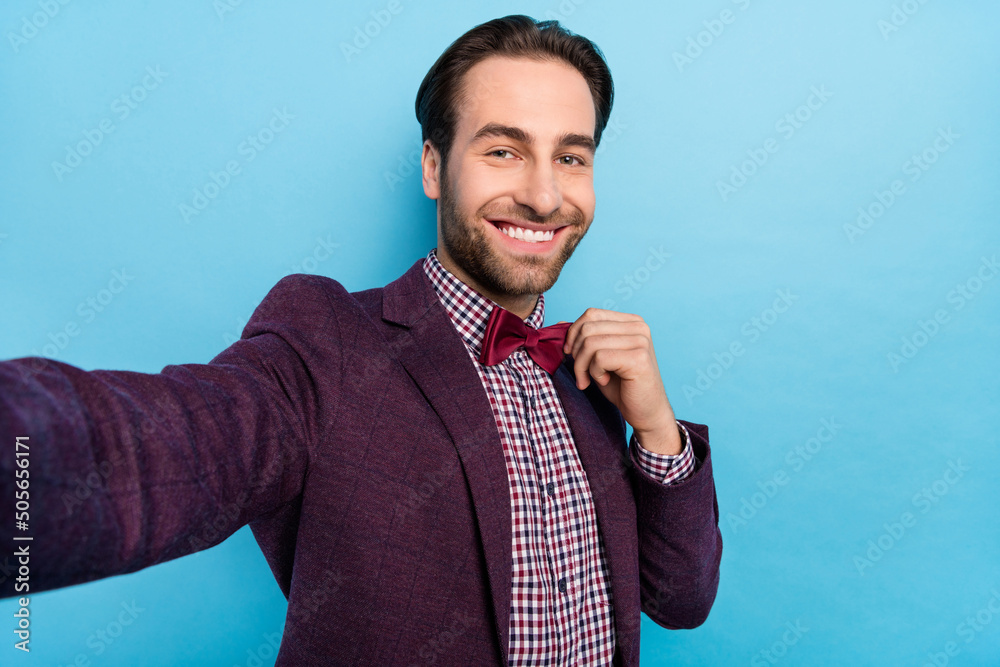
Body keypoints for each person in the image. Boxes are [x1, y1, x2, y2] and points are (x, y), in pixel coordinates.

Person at [0, 14, 721, 666]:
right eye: (503, 150)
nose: (543, 195)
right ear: (435, 167)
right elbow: (170, 442)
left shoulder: (594, 376)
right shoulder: (329, 338)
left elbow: (680, 602)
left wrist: (656, 429)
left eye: (571, 157)